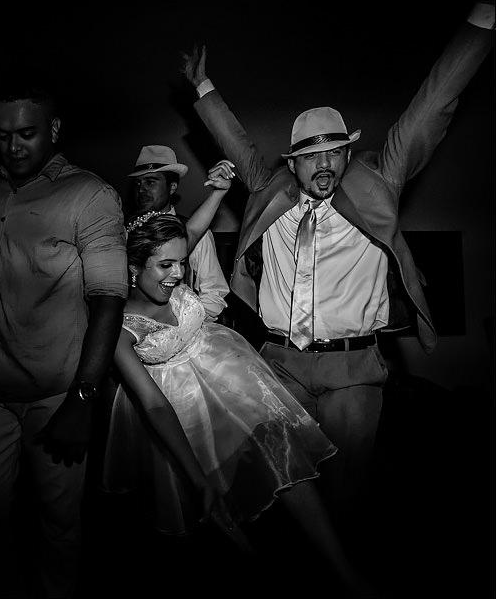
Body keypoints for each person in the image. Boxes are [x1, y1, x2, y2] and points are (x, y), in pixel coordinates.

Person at [179, 0, 494, 526]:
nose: (324, 164)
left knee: (346, 496)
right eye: (311, 156)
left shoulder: (378, 183)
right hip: (279, 365)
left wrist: (484, 16)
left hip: (353, 369)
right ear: (292, 164)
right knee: (284, 492)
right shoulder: (269, 190)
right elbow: (236, 142)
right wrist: (203, 88)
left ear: (348, 153)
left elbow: (430, 109)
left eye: (334, 152)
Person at [106, 204, 370, 595]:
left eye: (182, 263)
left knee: (282, 453)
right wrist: (196, 477)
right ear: (133, 267)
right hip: (180, 410)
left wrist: (218, 190)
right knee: (212, 505)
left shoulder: (168, 266)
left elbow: (192, 231)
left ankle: (342, 570)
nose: (177, 274)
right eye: (165, 266)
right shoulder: (120, 327)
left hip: (229, 378)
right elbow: (154, 405)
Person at [0, 71, 128, 598]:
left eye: (26, 133)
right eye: (3, 134)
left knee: (58, 522)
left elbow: (109, 301)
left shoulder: (89, 195)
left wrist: (82, 400)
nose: (13, 146)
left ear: (53, 129)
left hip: (54, 397)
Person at [127, 144, 230, 322]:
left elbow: (214, 293)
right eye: (138, 183)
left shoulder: (194, 232)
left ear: (172, 187)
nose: (141, 189)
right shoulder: (123, 231)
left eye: (150, 182)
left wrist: (184, 327)